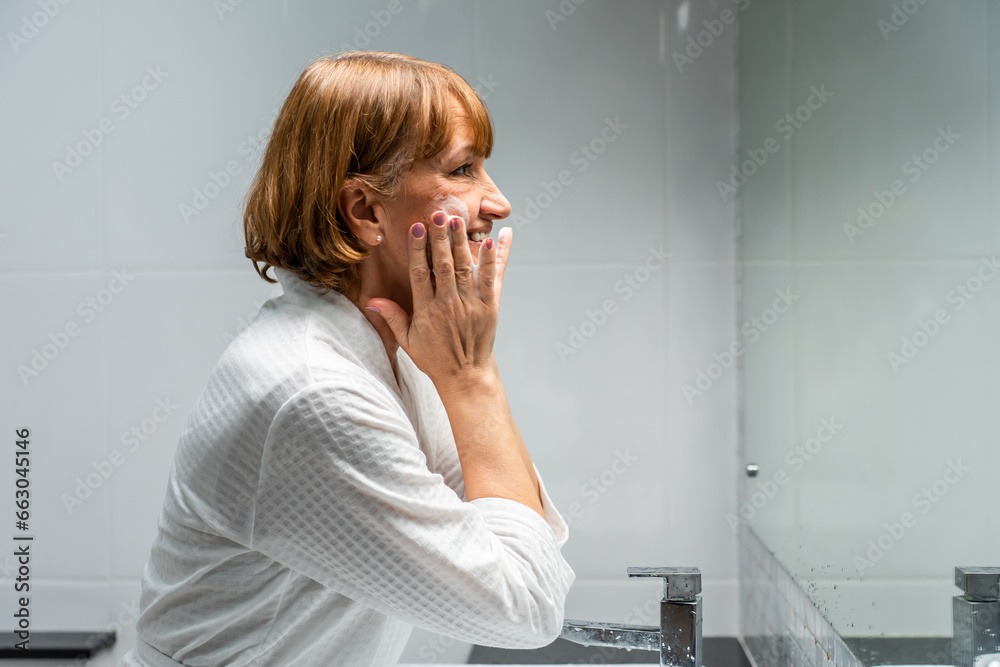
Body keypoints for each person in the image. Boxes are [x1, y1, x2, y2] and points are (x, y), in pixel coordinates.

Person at [120, 51, 575, 666]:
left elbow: (527, 545)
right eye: (463, 170)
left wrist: (464, 374)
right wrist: (473, 379)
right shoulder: (315, 392)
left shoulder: (389, 354)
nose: (497, 204)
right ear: (365, 212)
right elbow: (525, 606)